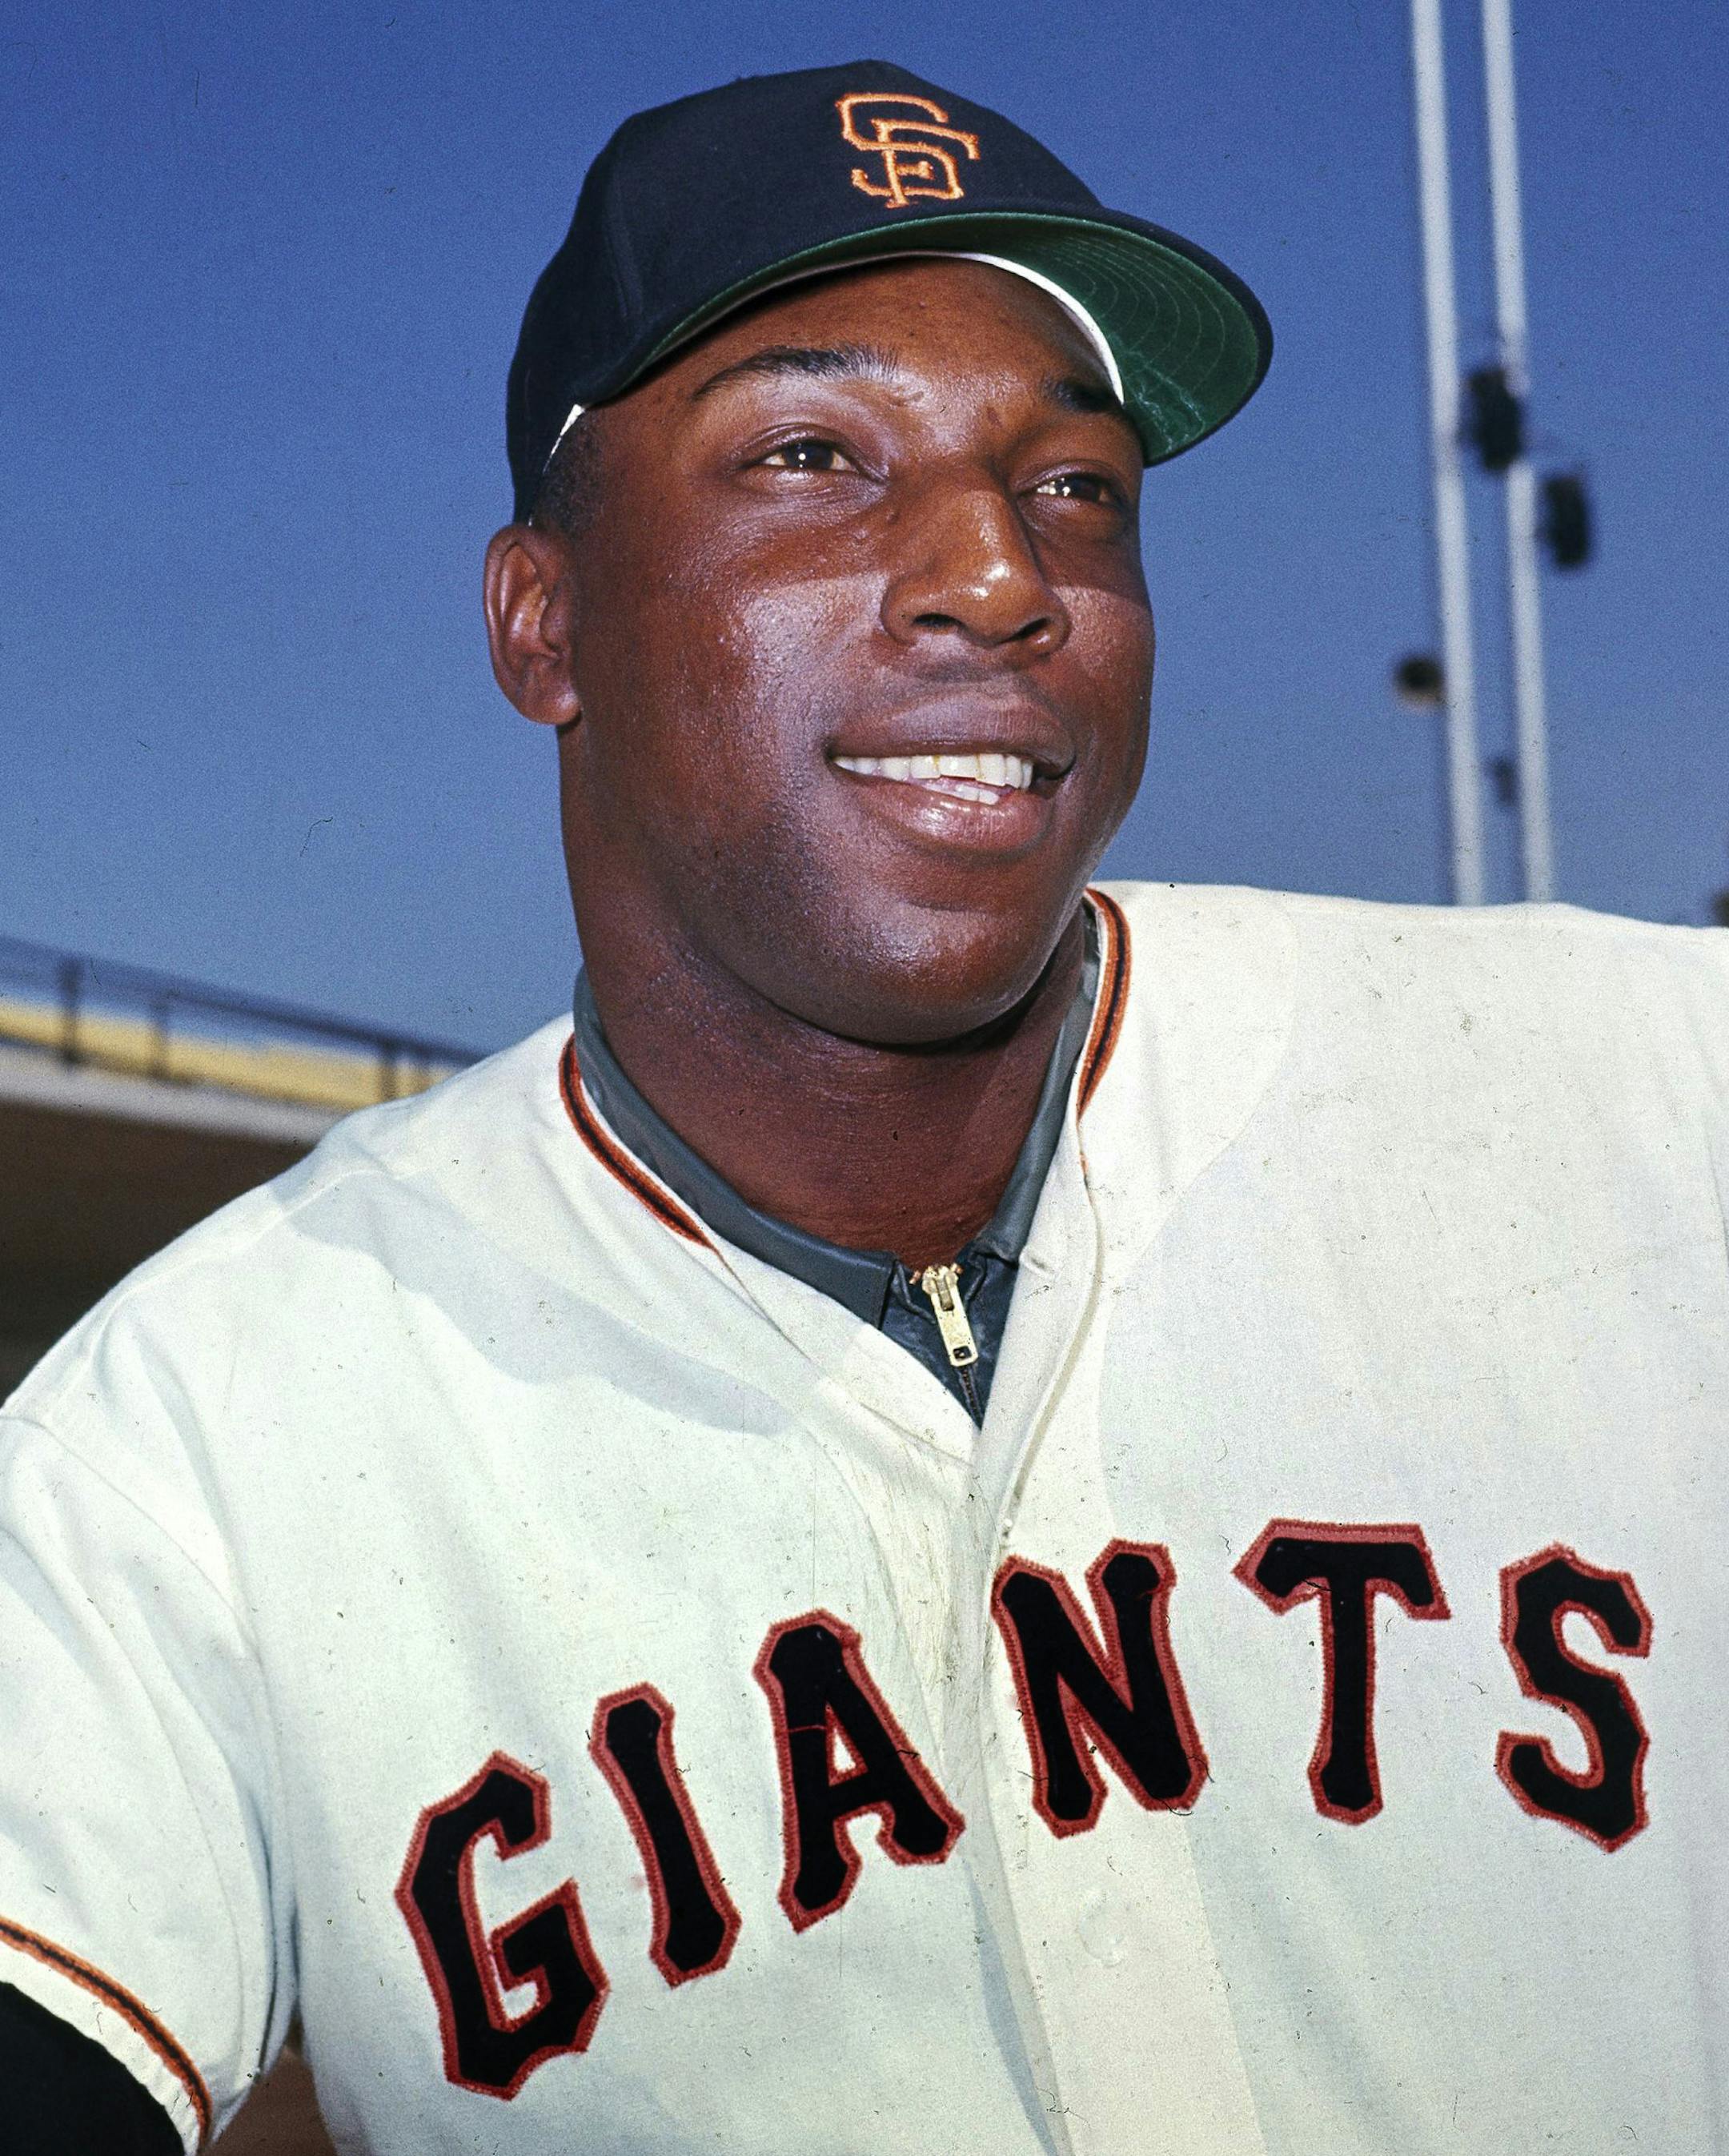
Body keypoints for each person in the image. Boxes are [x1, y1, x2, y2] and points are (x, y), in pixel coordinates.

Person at [3, 54, 1727, 2156]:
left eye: (1075, 488)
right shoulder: (186, 1444)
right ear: (540, 619)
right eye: (816, 454)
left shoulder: (1645, 1087)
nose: (998, 574)